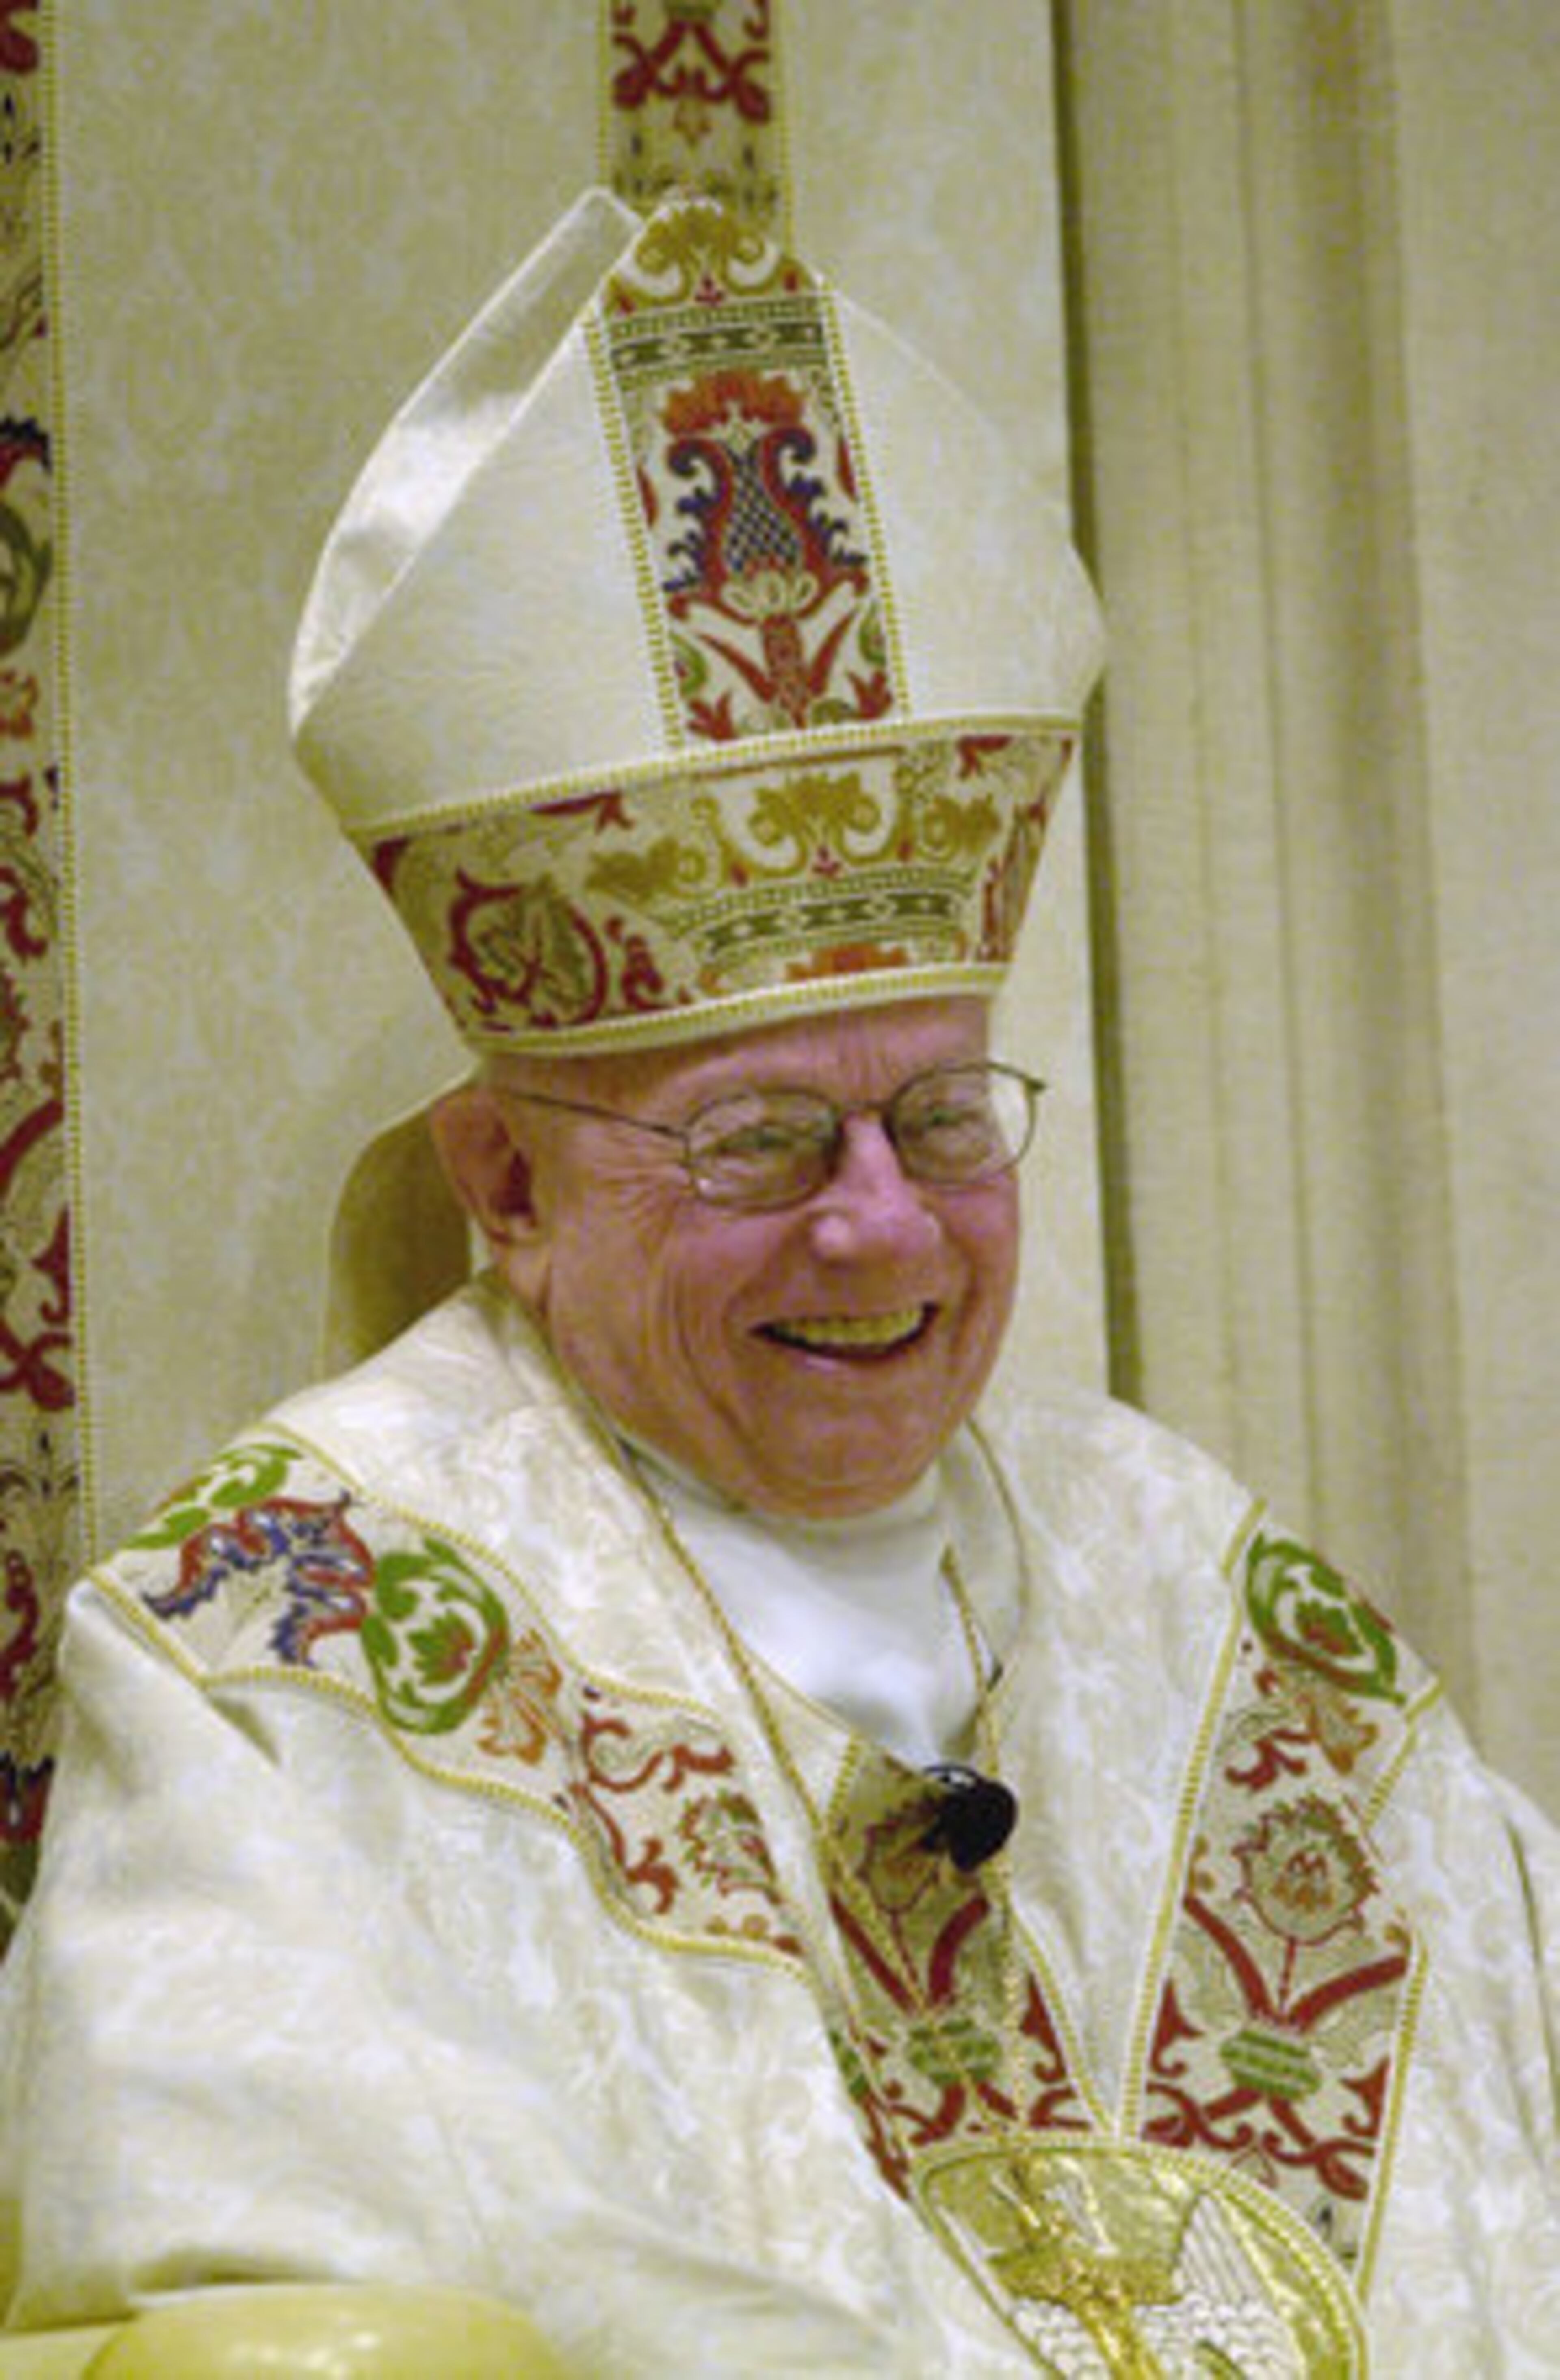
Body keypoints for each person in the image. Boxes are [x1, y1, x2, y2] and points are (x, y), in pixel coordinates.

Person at [0, 188, 1556, 2376]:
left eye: (939, 1117)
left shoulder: (1190, 1575)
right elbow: (247, 2297)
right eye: (759, 1141)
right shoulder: (274, 1639)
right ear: (509, 1180)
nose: (882, 1226)